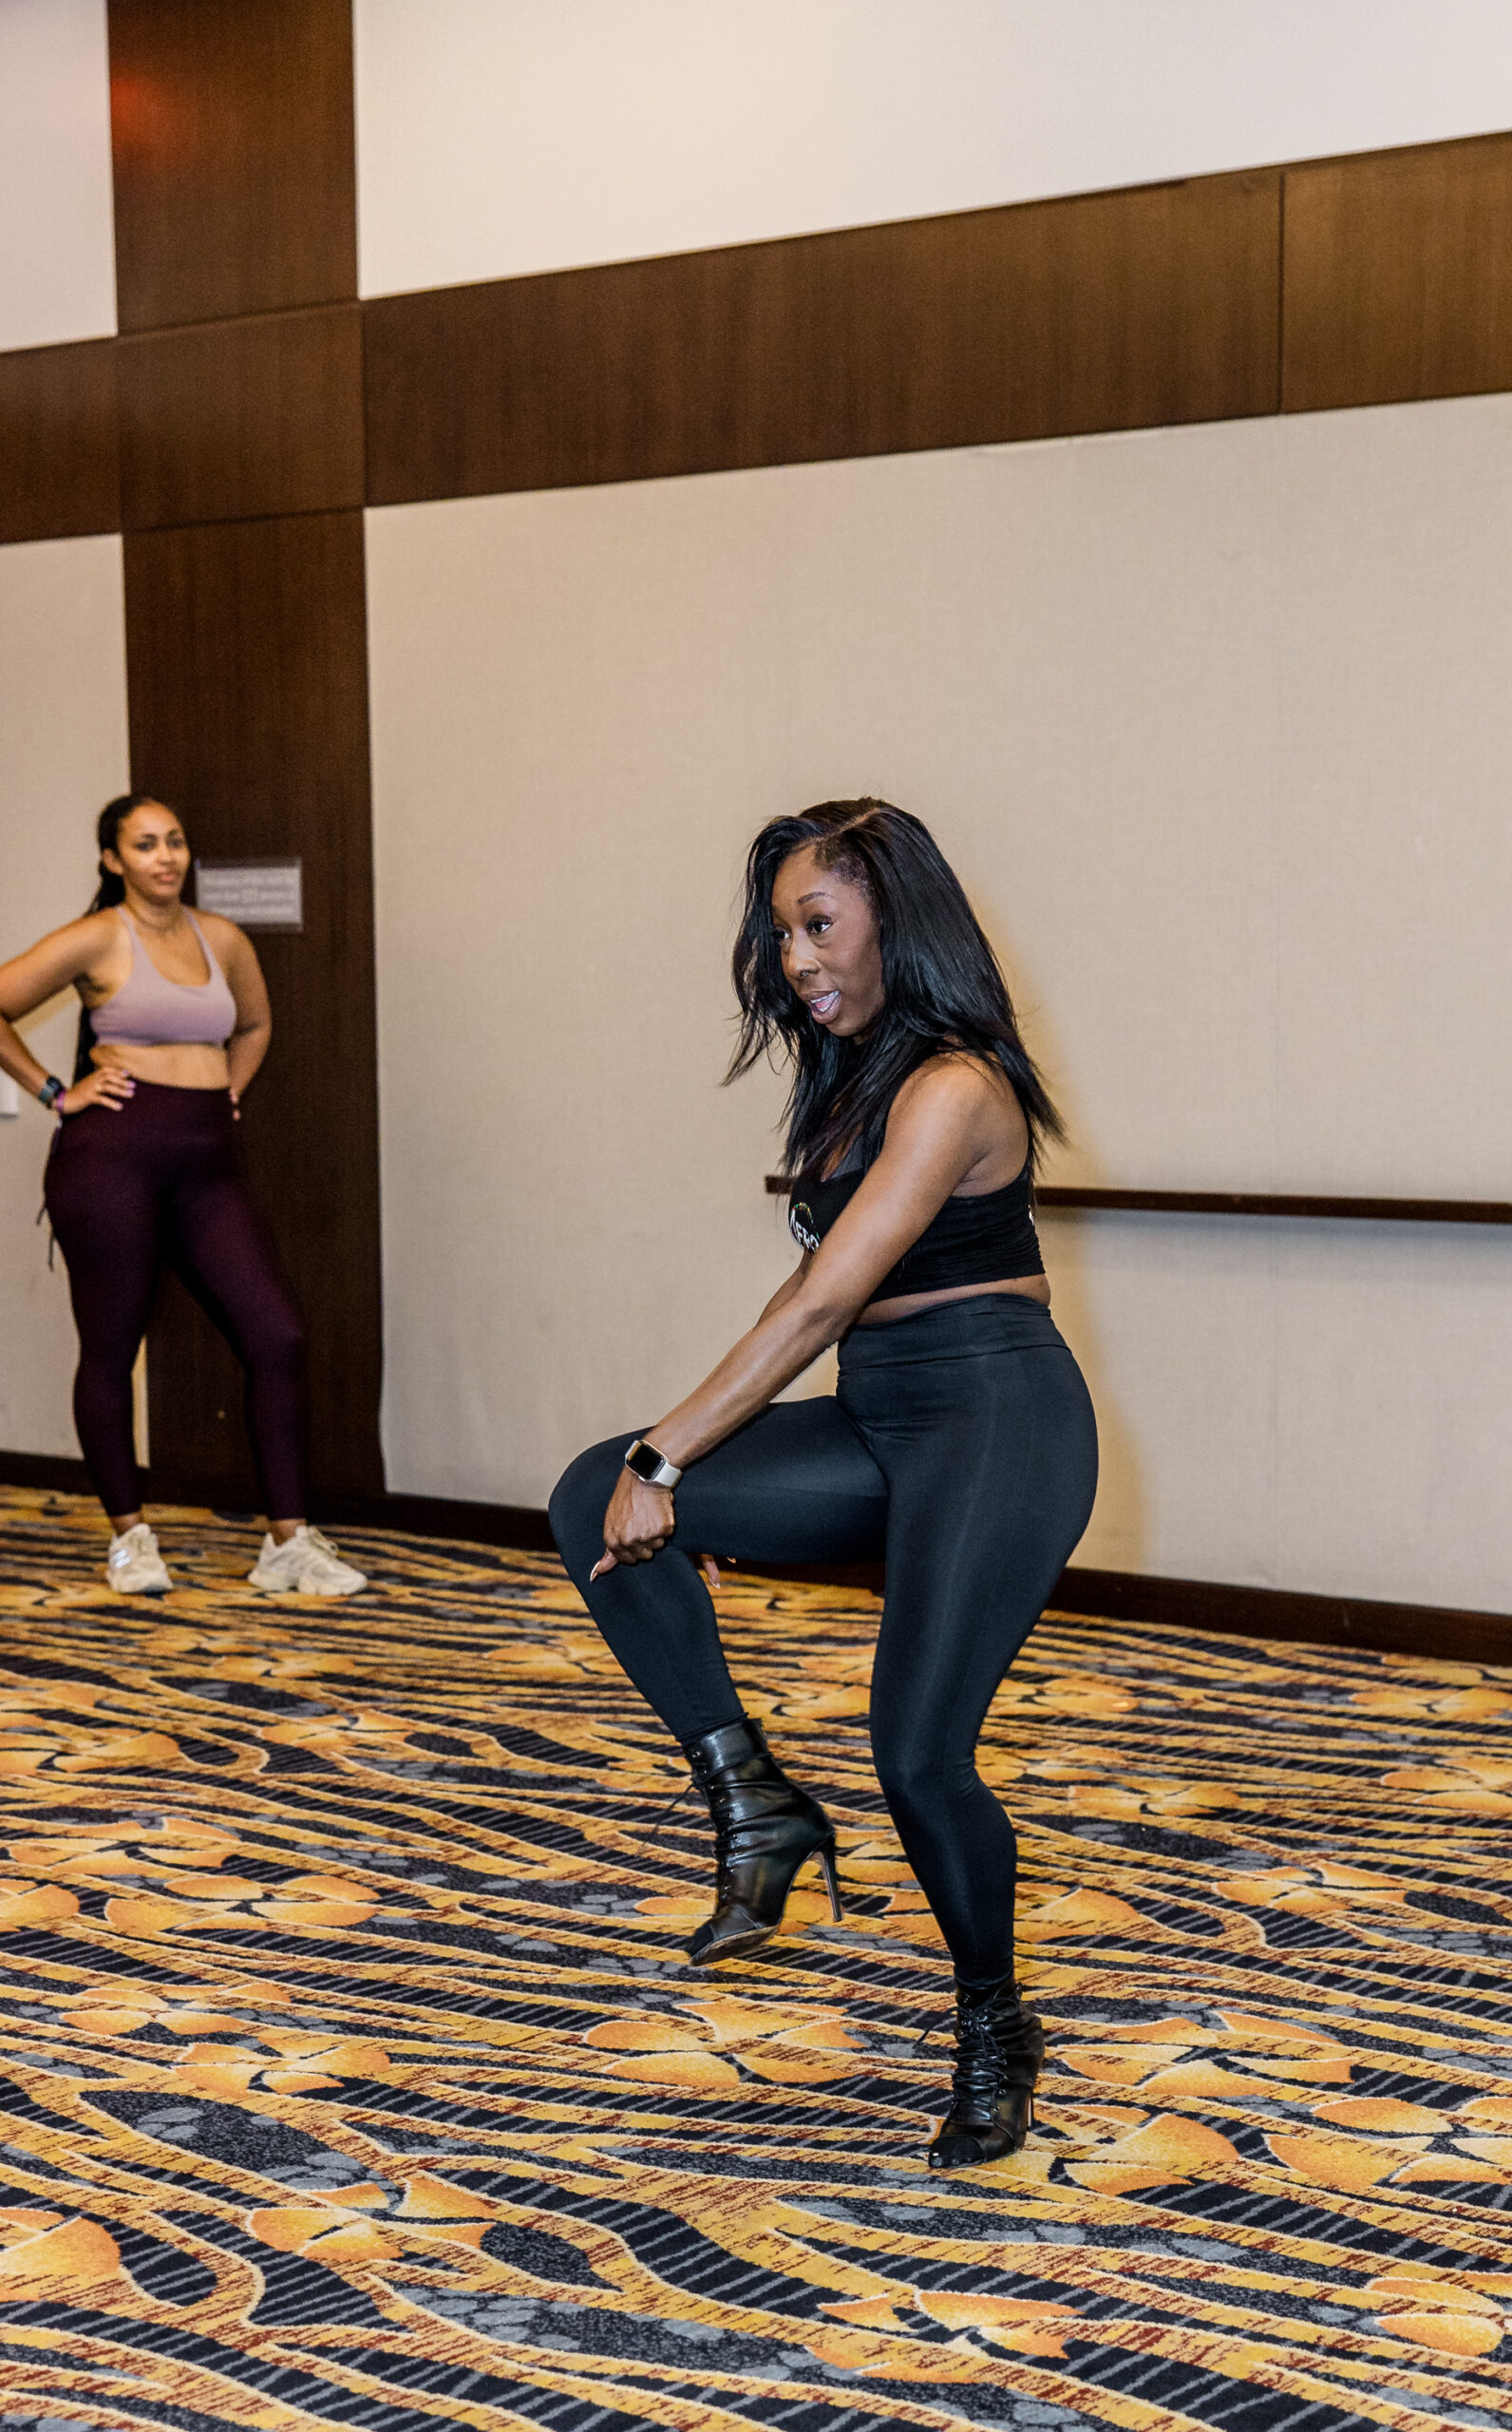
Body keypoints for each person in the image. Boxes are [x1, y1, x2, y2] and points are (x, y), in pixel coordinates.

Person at [551, 799, 1098, 2170]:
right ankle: (754, 1799)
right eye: (780, 931)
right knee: (587, 1495)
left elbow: (820, 1302)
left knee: (916, 1754)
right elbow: (809, 1309)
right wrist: (658, 1471)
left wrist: (671, 1455)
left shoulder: (952, 1085)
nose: (794, 958)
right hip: (880, 1417)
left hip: (999, 1420)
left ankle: (994, 2024)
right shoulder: (851, 1077)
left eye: (817, 923)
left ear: (893, 920)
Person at [0, 794, 367, 1600]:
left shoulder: (221, 937)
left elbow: (255, 1025)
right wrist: (57, 1091)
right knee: (110, 1348)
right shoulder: (98, 936)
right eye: (144, 844)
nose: (165, 856)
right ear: (113, 860)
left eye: (173, 841)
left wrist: (228, 1088)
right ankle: (130, 1537)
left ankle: (287, 1543)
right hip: (111, 1162)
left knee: (277, 1335)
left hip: (207, 1166)